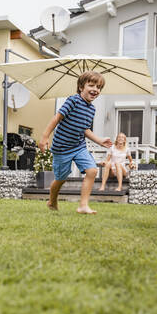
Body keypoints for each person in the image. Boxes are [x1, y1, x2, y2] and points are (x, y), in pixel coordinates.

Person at [39, 71, 112, 214]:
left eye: (98, 87)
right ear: (80, 87)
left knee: (92, 170)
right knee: (60, 179)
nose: (95, 90)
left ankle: (83, 205)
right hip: (61, 148)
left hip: (79, 146)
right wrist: (45, 137)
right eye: (91, 85)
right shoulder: (73, 100)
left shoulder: (92, 109)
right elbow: (57, 118)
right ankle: (52, 200)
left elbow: (84, 129)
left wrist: (99, 140)